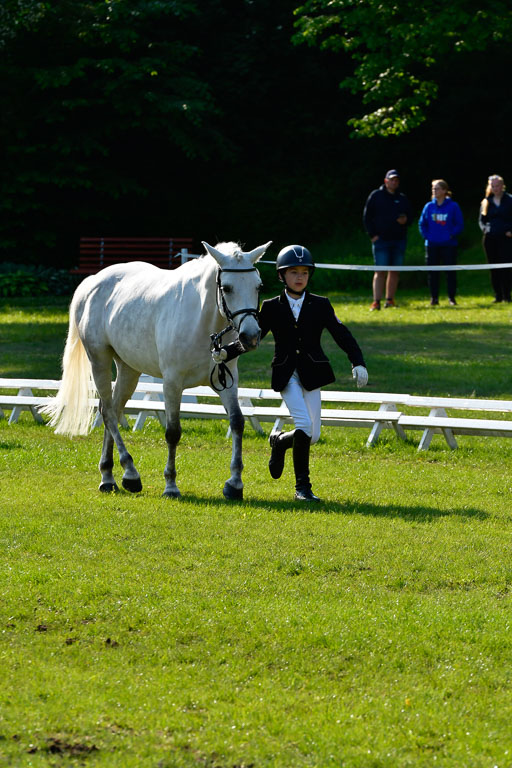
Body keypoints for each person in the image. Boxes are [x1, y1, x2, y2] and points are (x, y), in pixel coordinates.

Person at [211, 245, 368, 502]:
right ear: (282, 276)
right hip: (286, 374)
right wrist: (227, 352)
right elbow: (253, 339)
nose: (299, 277)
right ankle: (302, 489)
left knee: (313, 435)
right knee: (304, 426)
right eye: (293, 272)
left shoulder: (321, 305)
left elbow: (342, 334)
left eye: (304, 273)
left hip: (313, 373)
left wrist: (357, 362)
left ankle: (281, 441)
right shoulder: (271, 307)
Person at [363, 169, 412, 311]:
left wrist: (405, 220)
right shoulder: (376, 196)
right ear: (386, 181)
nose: (394, 182)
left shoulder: (402, 198)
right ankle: (376, 301)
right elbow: (367, 217)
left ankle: (390, 300)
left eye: (396, 180)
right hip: (381, 240)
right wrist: (373, 235)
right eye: (392, 179)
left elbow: (410, 216)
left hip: (399, 240)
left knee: (394, 271)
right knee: (380, 271)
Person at [419, 179, 464, 306]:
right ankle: (434, 298)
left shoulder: (453, 206)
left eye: (437, 188)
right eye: (433, 188)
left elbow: (459, 224)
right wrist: (427, 236)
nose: (434, 191)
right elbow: (422, 224)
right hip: (432, 245)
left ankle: (452, 298)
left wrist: (450, 235)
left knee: (450, 272)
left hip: (449, 245)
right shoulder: (429, 206)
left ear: (444, 191)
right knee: (433, 273)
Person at [479, 174, 512, 303]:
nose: (495, 188)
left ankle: (507, 295)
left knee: (506, 267)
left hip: (506, 239)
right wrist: (485, 229)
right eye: (493, 186)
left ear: (502, 186)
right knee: (494, 267)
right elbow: (482, 220)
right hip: (491, 239)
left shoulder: (510, 200)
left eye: (497, 185)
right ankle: (497, 295)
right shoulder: (486, 201)